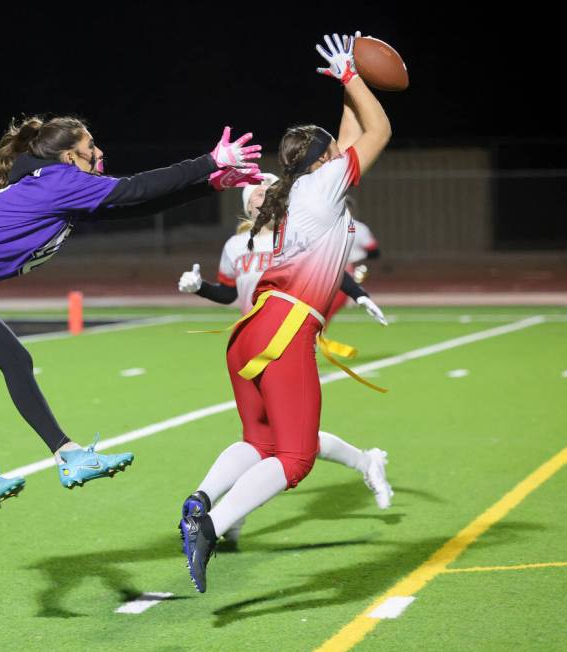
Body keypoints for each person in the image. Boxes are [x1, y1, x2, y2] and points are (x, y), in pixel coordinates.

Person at [0, 116, 261, 513]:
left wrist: (212, 184)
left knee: (14, 360)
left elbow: (131, 206)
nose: (99, 152)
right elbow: (136, 188)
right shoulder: (58, 181)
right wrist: (210, 161)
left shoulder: (60, 187)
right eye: (91, 145)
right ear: (69, 156)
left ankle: (68, 455)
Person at [178, 32, 392, 592]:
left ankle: (203, 502)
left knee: (262, 444)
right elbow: (379, 131)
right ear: (326, 159)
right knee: (296, 459)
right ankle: (212, 525)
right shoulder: (323, 186)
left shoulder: (303, 189)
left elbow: (350, 135)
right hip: (285, 328)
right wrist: (351, 78)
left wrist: (346, 86)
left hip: (250, 330)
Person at [176, 174, 392, 548]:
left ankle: (228, 519)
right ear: (246, 204)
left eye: (271, 189)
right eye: (256, 190)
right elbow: (229, 293)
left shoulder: (293, 235)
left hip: (286, 339)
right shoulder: (235, 245)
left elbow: (331, 270)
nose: (263, 193)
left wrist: (358, 294)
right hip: (251, 342)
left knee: (284, 441)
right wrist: (201, 290)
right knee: (274, 440)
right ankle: (365, 461)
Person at [323, 193, 382, 323]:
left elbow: (374, 252)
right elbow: (374, 252)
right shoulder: (359, 228)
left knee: (324, 313)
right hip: (341, 270)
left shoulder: (325, 227)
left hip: (338, 271)